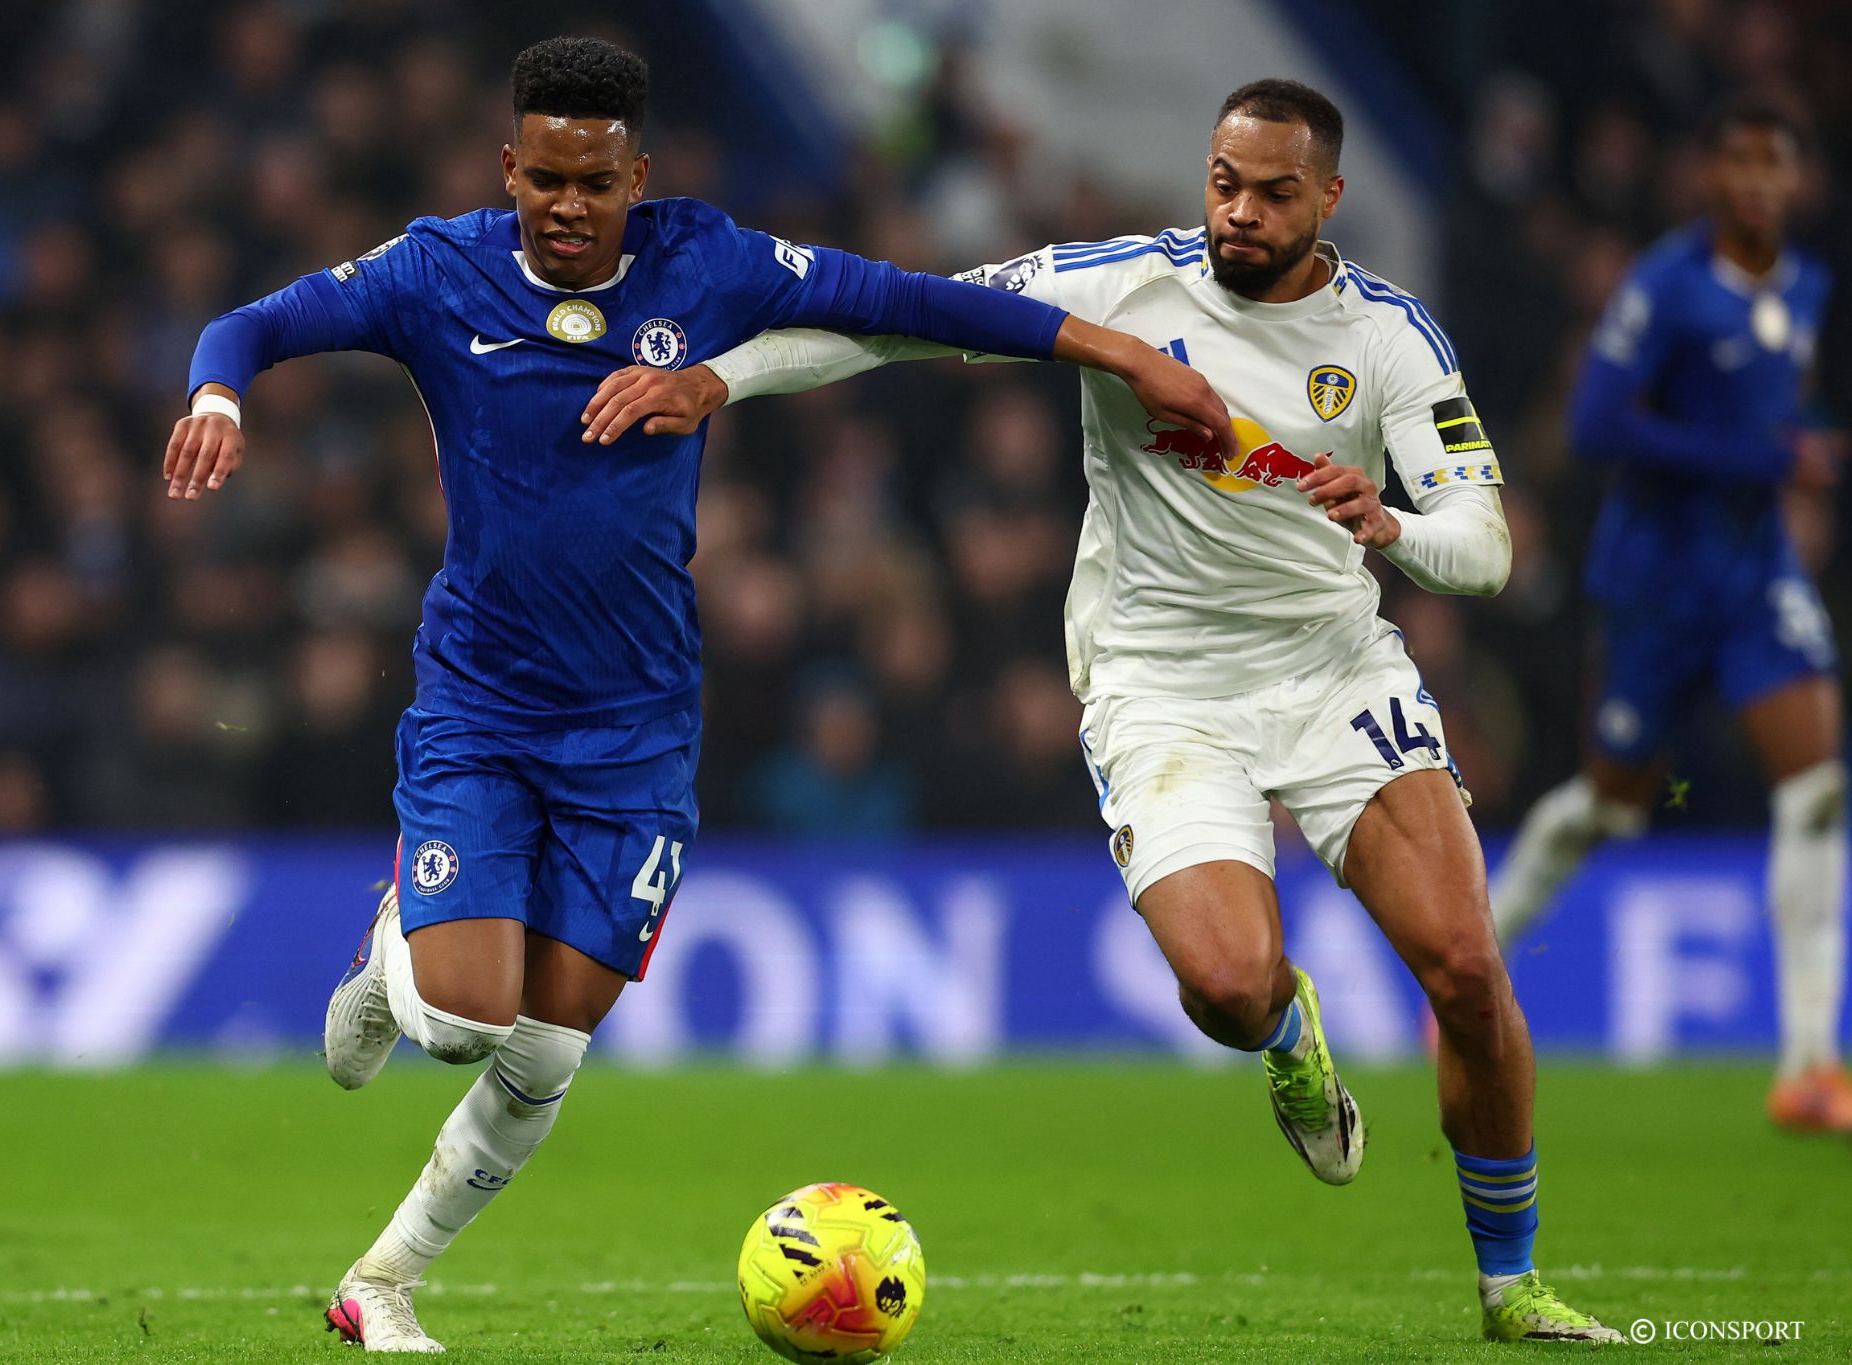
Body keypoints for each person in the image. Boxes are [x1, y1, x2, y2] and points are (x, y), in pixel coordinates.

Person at [163, 35, 1228, 1354]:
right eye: (543, 179)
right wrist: (219, 392)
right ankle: (397, 950)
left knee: (547, 1053)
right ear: (509, 168)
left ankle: (380, 1282)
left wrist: (1118, 356)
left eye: (594, 184)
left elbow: (910, 304)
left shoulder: (706, 263)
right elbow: (256, 324)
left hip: (640, 730)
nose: (567, 206)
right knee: (463, 1021)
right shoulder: (438, 272)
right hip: (483, 710)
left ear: (638, 177)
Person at [582, 78, 1622, 1345]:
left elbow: (1485, 546)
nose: (1239, 213)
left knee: (1464, 967)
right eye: (1223, 184)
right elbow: (896, 324)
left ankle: (1510, 1286)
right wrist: (719, 380)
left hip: (1334, 671)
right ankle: (1283, 1030)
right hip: (1159, 686)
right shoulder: (1120, 284)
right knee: (1227, 987)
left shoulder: (1389, 337)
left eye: (1273, 193)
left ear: (1327, 199)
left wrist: (1394, 525)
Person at [1489, 97, 1850, 1133]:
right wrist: (1756, 460)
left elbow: (1772, 412)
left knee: (1815, 791)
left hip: (1753, 575)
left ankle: (1808, 1064)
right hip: (1654, 582)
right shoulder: (1664, 285)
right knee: (1610, 805)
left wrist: (1801, 447)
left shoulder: (1806, 285)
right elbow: (1597, 423)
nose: (1757, 182)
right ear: (1710, 178)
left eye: (1774, 164)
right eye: (1739, 162)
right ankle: (1475, 962)